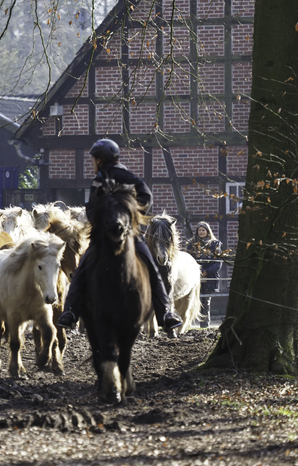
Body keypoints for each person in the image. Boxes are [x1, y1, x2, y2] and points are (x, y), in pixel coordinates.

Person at [57, 138, 183, 337]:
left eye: (93, 159)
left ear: (100, 159)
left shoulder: (120, 175)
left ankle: (70, 312)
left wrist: (128, 213)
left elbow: (144, 197)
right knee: (151, 270)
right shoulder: (99, 179)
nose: (92, 162)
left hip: (123, 235)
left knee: (83, 269)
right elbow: (144, 198)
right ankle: (165, 314)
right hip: (118, 234)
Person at [188, 221, 222, 328]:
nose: (201, 232)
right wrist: (195, 271)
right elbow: (188, 260)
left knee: (205, 302)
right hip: (194, 276)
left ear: (207, 231)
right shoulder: (191, 244)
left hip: (209, 277)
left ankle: (204, 326)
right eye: (199, 230)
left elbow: (217, 263)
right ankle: (188, 325)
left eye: (203, 230)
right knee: (192, 301)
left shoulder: (215, 244)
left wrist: (206, 271)